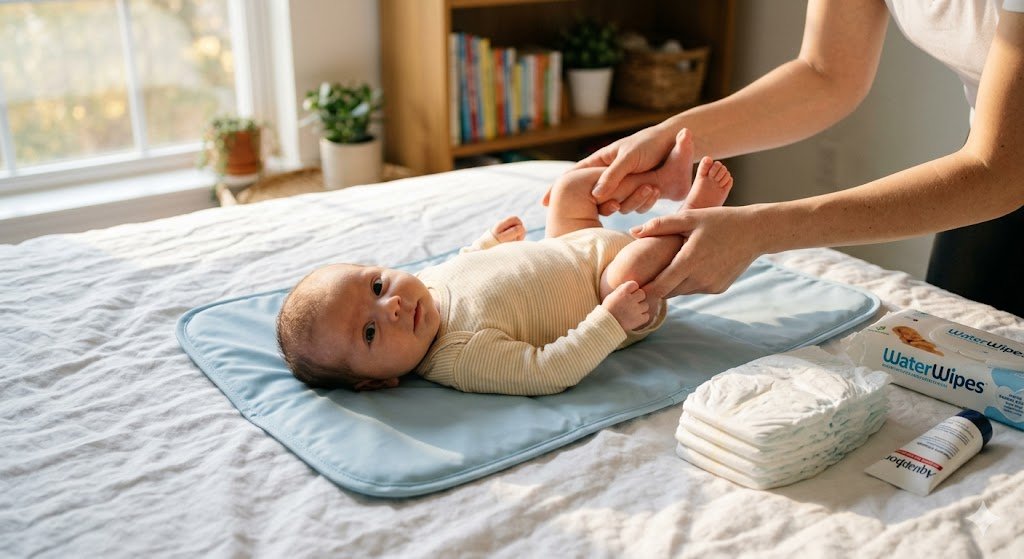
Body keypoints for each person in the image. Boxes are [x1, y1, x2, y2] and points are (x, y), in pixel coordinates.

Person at [565, 0, 1024, 317]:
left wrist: (760, 231)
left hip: (1001, 162)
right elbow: (826, 74)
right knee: (965, 351)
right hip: (1000, 147)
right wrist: (672, 140)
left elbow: (999, 173)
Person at [276, 146, 733, 395]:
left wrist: (488, 244)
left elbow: (464, 265)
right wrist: (610, 320)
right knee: (635, 265)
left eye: (376, 285)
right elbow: (547, 371)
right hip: (607, 291)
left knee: (570, 187)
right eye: (370, 333)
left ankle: (662, 180)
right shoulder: (461, 357)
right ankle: (692, 217)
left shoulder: (424, 290)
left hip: (567, 245)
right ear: (377, 382)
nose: (391, 304)